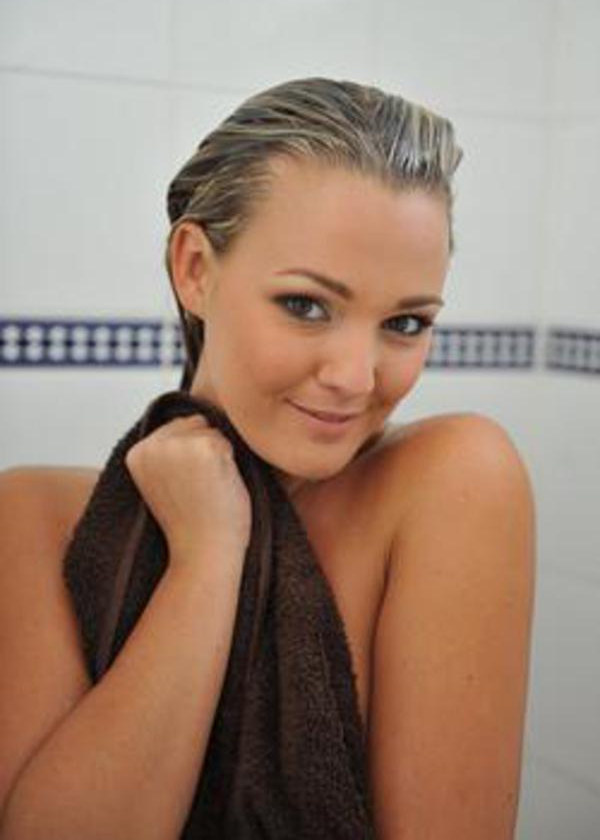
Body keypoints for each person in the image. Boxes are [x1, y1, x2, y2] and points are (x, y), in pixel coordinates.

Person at [0, 77, 535, 839]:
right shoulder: (34, 518)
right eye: (306, 305)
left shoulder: (452, 482)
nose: (356, 377)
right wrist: (208, 558)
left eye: (406, 323)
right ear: (195, 268)